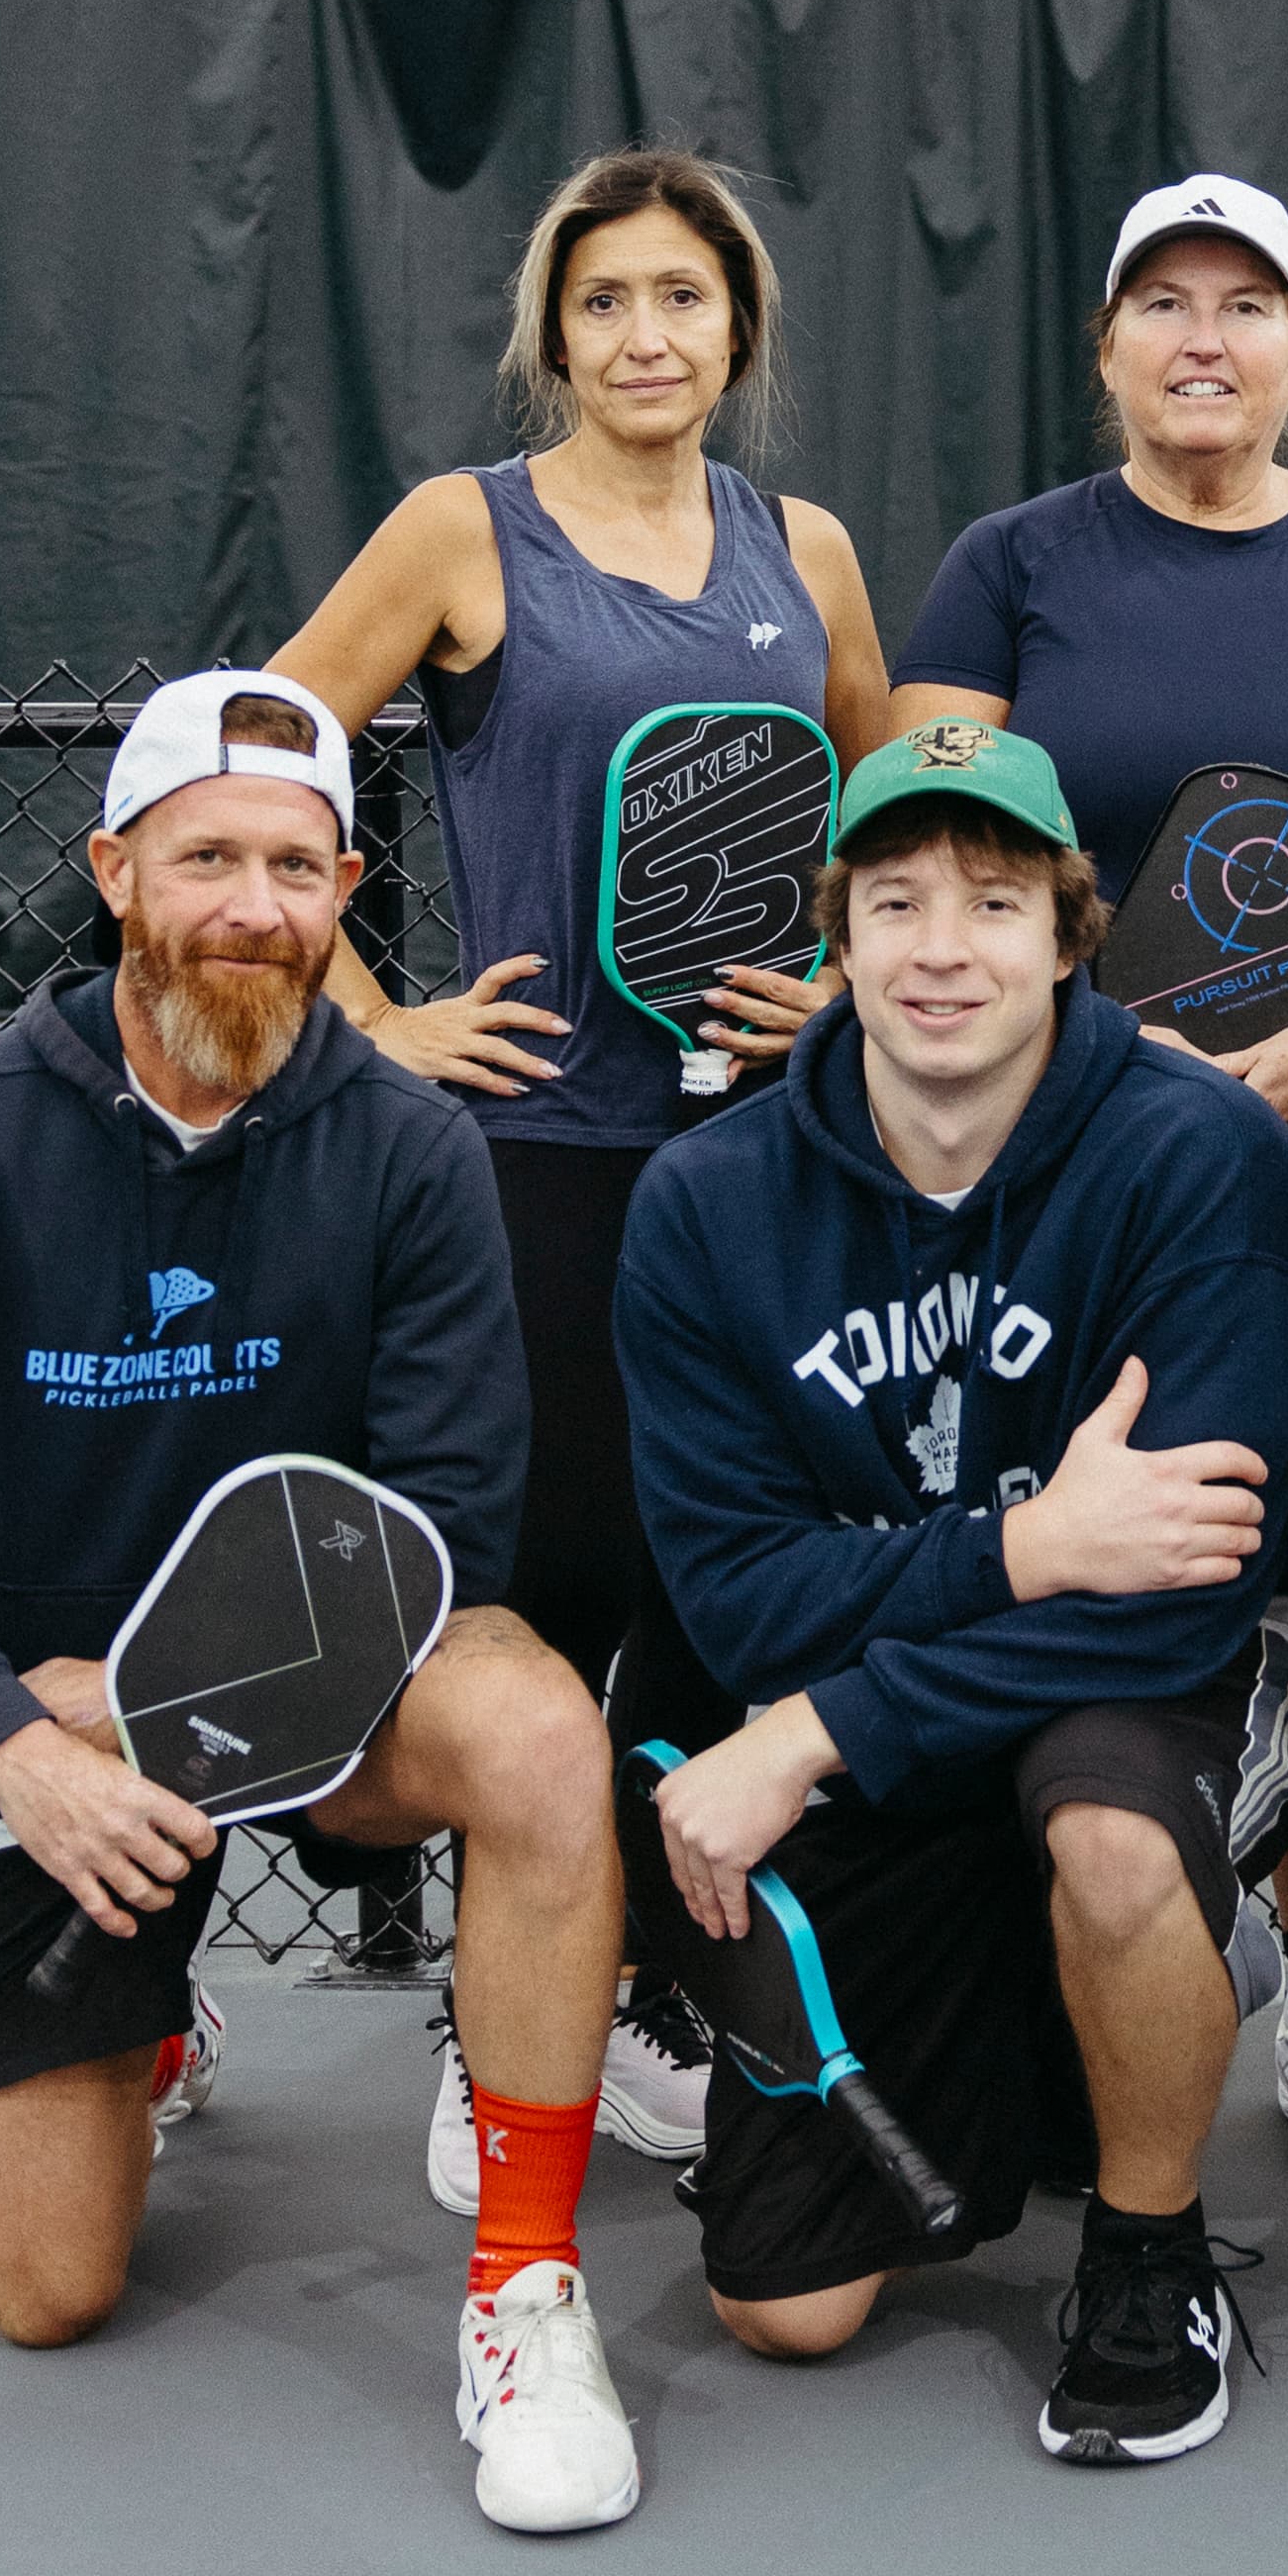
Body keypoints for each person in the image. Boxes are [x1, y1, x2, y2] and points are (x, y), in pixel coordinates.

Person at [0, 677, 641, 2536]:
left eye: (299, 866)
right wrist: (10, 1734)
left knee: (539, 1725)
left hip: (324, 1688)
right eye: (209, 858)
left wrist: (155, 1694)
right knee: (48, 2295)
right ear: (114, 869)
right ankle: (153, 2024)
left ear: (344, 892)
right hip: (54, 1742)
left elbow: (455, 1517)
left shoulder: (410, 1147)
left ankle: (525, 2284)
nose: (256, 903)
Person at [275, 146, 890, 2221]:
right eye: (608, 302)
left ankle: (629, 1993)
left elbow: (878, 808)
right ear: (556, 331)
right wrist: (377, 1020)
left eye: (685, 302)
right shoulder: (466, 530)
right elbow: (258, 756)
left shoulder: (802, 546)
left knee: (705, 1601)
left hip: (756, 1170)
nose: (647, 337)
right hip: (532, 1157)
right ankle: (490, 2015)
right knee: (528, 1599)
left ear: (740, 333)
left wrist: (838, 988)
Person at [612, 719, 1288, 2470]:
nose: (944, 946)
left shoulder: (1200, 1157)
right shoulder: (705, 1202)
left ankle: (1150, 2247)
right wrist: (1022, 1545)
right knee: (786, 2314)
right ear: (837, 933)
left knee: (1102, 1830)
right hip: (912, 1676)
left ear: (1071, 934)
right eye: (897, 899)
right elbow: (734, 1601)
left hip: (1164, 1677)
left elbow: (1174, 1601)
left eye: (996, 900)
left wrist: (826, 1724)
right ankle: (1059, 2019)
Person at [888, 174, 1288, 2189]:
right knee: (1067, 1553)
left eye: (1247, 305)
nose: (1204, 339)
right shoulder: (1011, 565)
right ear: (1109, 349)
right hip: (1065, 1162)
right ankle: (1055, 1960)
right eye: (1162, 302)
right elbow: (934, 839)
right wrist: (1086, 1047)